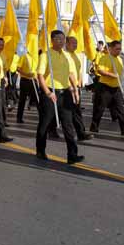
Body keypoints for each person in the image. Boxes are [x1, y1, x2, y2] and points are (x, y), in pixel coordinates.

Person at [36, 30, 83, 164]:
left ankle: (72, 154)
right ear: (52, 40)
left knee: (68, 124)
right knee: (45, 123)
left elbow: (70, 74)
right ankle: (40, 150)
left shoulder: (66, 56)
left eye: (63, 39)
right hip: (50, 92)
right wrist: (47, 92)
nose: (61, 42)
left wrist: (75, 89)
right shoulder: (46, 55)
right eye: (58, 39)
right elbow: (40, 75)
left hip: (65, 92)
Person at [92, 40, 124, 136]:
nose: (119, 51)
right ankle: (94, 127)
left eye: (120, 49)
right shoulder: (105, 58)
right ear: (111, 49)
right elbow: (100, 70)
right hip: (105, 87)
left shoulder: (119, 59)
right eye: (117, 49)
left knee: (120, 109)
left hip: (116, 87)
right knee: (100, 109)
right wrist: (111, 75)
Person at [65, 36, 91, 141]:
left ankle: (81, 133)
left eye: (76, 43)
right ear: (66, 44)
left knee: (76, 111)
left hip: (75, 87)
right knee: (58, 112)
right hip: (67, 87)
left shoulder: (76, 56)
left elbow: (78, 71)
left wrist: (79, 84)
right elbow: (67, 73)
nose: (75, 45)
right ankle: (51, 130)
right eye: (73, 43)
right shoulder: (64, 55)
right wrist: (72, 87)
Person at [16, 53, 38, 124]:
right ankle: (19, 118)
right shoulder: (23, 55)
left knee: (38, 100)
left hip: (34, 81)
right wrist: (26, 74)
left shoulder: (36, 56)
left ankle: (42, 117)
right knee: (22, 100)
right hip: (25, 80)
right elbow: (18, 68)